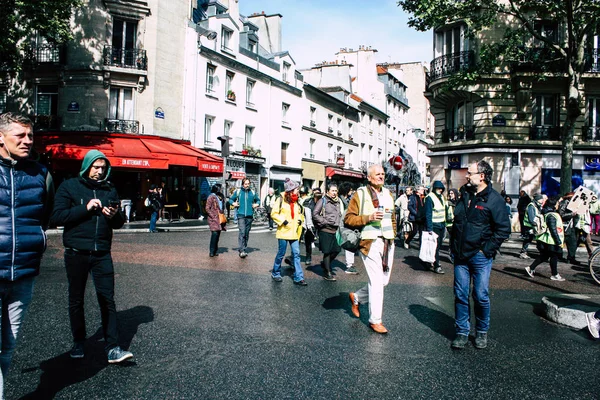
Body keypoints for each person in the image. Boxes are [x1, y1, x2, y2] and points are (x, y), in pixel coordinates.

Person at [50, 150, 133, 363]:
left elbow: (119, 223)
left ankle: (113, 347)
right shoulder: (69, 187)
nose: (100, 171)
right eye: (96, 167)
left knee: (107, 299)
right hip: (76, 252)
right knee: (76, 299)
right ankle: (79, 342)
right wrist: (85, 208)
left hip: (102, 253)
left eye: (103, 168)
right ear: (87, 166)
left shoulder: (109, 189)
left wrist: (116, 216)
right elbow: (57, 216)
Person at [0, 112, 54, 397]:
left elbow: (44, 217)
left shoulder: (40, 173)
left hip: (24, 272)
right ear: (0, 137)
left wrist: (38, 241)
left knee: (8, 345)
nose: (27, 141)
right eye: (20, 135)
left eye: (30, 135)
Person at [450, 160, 511, 350]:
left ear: (482, 176)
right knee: (460, 294)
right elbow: (458, 223)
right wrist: (453, 247)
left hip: (480, 256)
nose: (467, 175)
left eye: (470, 173)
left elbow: (503, 229)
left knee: (480, 295)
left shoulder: (494, 199)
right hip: (460, 255)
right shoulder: (464, 194)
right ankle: (462, 332)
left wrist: (487, 250)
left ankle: (482, 331)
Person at [345, 165, 396, 334]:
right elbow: (349, 219)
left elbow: (393, 218)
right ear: (369, 177)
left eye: (383, 174)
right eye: (377, 174)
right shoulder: (360, 194)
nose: (381, 176)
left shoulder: (388, 194)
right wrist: (369, 217)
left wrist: (393, 234)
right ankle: (375, 320)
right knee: (376, 282)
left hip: (388, 242)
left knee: (383, 282)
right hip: (370, 242)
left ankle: (357, 297)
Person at [270, 178, 307, 286]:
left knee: (296, 254)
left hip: (294, 232)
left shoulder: (296, 201)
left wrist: (301, 219)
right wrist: (283, 221)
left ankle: (298, 277)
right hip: (283, 231)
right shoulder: (280, 200)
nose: (298, 191)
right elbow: (274, 213)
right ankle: (275, 272)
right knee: (281, 253)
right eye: (296, 189)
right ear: (291, 190)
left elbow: (300, 213)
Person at [524, 196, 565, 281]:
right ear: (554, 205)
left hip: (545, 240)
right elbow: (553, 230)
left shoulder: (547, 213)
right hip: (551, 241)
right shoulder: (552, 215)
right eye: (557, 203)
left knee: (544, 256)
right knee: (553, 256)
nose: (558, 205)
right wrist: (558, 241)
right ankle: (555, 274)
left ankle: (530, 268)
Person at [313, 183, 344, 281]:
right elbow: (315, 214)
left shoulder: (338, 201)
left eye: (336, 191)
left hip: (336, 230)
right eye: (332, 191)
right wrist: (324, 221)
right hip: (325, 229)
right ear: (327, 191)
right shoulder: (323, 201)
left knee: (336, 250)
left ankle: (324, 264)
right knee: (327, 251)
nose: (334, 193)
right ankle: (327, 272)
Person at [229, 178, 260, 258]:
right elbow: (230, 199)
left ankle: (244, 247)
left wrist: (256, 204)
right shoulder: (238, 192)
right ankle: (242, 250)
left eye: (248, 184)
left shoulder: (252, 192)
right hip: (241, 215)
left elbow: (258, 200)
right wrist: (234, 203)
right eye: (246, 184)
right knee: (242, 232)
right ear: (243, 184)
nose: (247, 185)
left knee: (246, 233)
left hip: (249, 216)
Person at [424, 180, 449, 274]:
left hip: (441, 224)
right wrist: (429, 228)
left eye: (441, 188)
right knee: (435, 246)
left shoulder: (442, 197)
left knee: (437, 246)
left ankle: (428, 262)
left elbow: (444, 210)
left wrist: (445, 223)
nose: (440, 190)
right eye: (438, 188)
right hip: (434, 225)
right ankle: (436, 265)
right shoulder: (430, 198)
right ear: (434, 189)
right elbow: (428, 214)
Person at [339, 182, 359, 275]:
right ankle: (349, 266)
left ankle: (349, 265)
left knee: (347, 243)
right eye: (350, 190)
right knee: (337, 247)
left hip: (345, 224)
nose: (352, 191)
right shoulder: (341, 200)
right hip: (341, 224)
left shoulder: (348, 199)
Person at [520, 194, 547, 259]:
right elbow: (531, 218)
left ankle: (541, 252)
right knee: (528, 239)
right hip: (530, 226)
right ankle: (523, 252)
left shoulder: (537, 205)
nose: (542, 200)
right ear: (537, 199)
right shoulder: (531, 206)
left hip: (534, 225)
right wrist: (535, 224)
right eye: (541, 199)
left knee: (534, 239)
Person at [302, 187, 322, 265]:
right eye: (315, 192)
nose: (317, 194)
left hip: (320, 224)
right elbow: (304, 211)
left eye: (318, 192)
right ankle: (308, 257)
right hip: (310, 224)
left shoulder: (324, 201)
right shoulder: (308, 201)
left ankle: (326, 260)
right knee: (308, 242)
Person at [558, 192, 578, 264]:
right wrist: (572, 214)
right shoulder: (564, 203)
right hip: (565, 226)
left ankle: (571, 258)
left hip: (571, 226)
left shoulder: (573, 204)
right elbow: (561, 214)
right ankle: (559, 257)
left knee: (573, 243)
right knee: (561, 242)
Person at [206, 184, 225, 257]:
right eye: (220, 188)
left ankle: (215, 250)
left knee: (218, 234)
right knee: (214, 234)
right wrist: (212, 216)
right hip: (213, 219)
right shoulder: (211, 197)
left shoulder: (221, 196)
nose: (221, 189)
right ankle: (211, 251)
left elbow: (222, 206)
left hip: (220, 217)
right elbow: (207, 208)